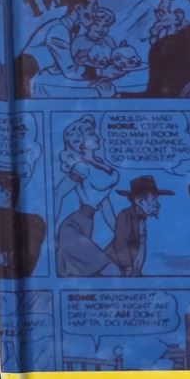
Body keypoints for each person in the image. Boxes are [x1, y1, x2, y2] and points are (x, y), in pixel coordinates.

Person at [55, 116, 118, 277]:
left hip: (87, 226)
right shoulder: (81, 168)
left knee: (92, 277)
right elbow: (58, 193)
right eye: (90, 133)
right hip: (71, 228)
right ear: (80, 142)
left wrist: (119, 232)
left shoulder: (101, 164)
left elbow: (106, 205)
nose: (96, 135)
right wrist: (52, 230)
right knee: (112, 271)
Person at [108, 176, 171, 276]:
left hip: (126, 271)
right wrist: (128, 268)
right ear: (140, 201)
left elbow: (140, 248)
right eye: (154, 199)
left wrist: (136, 272)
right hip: (111, 267)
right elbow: (121, 243)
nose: (158, 204)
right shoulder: (125, 216)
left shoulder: (141, 220)